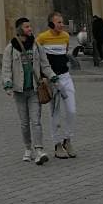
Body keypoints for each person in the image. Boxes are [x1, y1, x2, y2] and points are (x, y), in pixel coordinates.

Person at [1, 16, 55, 165]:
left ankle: (39, 150)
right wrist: (7, 84)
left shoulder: (36, 45)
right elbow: (6, 69)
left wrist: (53, 77)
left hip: (34, 90)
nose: (30, 29)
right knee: (24, 123)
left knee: (36, 121)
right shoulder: (10, 48)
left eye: (30, 27)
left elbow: (45, 64)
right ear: (19, 29)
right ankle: (27, 148)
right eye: (26, 27)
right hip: (19, 91)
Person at [36, 11, 77, 158]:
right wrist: (43, 77)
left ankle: (68, 139)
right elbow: (39, 58)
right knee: (55, 112)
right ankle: (57, 143)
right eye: (58, 22)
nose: (61, 24)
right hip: (53, 80)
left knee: (71, 110)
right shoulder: (42, 38)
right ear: (51, 23)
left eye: (62, 21)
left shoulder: (65, 36)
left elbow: (64, 53)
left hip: (66, 77)